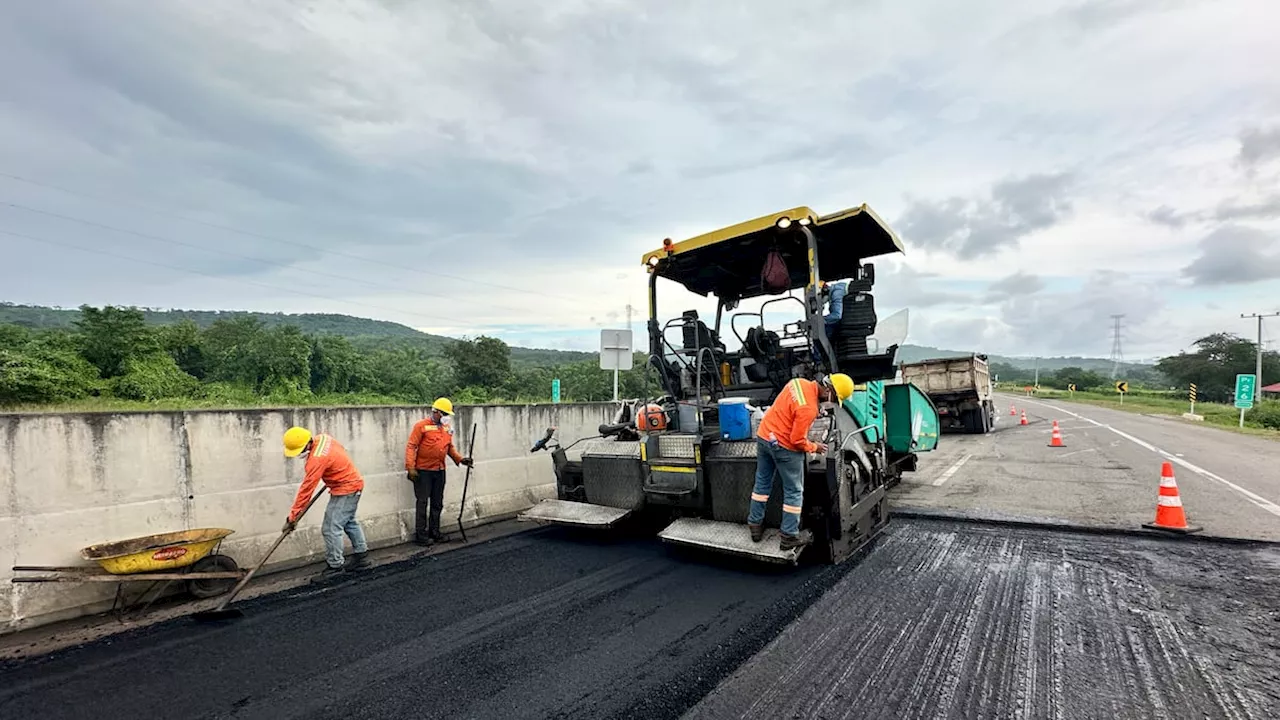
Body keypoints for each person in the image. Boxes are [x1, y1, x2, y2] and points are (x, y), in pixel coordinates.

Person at [747, 373, 855, 549]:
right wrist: (815, 447)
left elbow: (792, 406)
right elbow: (797, 440)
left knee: (762, 483)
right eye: (833, 398)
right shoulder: (808, 409)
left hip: (765, 437)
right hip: (784, 447)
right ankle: (788, 536)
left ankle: (755, 524)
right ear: (828, 390)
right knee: (794, 490)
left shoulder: (798, 383)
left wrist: (816, 408)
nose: (831, 402)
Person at [282, 426, 370, 579]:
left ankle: (335, 566)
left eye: (300, 450)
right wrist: (333, 471)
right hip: (353, 484)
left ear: (307, 444)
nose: (299, 454)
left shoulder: (316, 460)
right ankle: (362, 557)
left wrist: (293, 516)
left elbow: (307, 489)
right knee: (349, 522)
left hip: (346, 489)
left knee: (330, 528)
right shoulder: (324, 438)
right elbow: (340, 451)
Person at [405, 397, 473, 545]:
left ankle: (435, 532)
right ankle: (421, 536)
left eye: (447, 414)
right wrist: (410, 467)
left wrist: (460, 459)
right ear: (435, 412)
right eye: (444, 413)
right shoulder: (421, 426)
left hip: (439, 470)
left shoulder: (447, 429)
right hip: (423, 471)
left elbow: (449, 447)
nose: (446, 417)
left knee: (437, 503)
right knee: (422, 502)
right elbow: (411, 446)